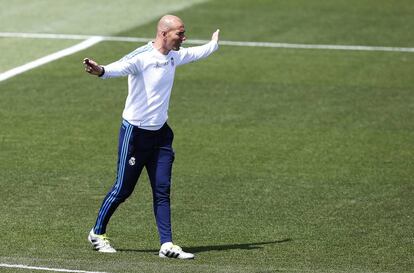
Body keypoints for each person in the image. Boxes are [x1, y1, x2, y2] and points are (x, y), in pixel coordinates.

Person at [83, 14, 220, 259]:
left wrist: (213, 45)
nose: (184, 37)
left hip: (161, 136)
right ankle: (97, 232)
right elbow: (119, 67)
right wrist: (101, 70)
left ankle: (166, 244)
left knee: (162, 189)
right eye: (180, 33)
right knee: (122, 189)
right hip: (135, 135)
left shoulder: (173, 56)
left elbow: (196, 53)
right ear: (164, 34)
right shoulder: (142, 57)